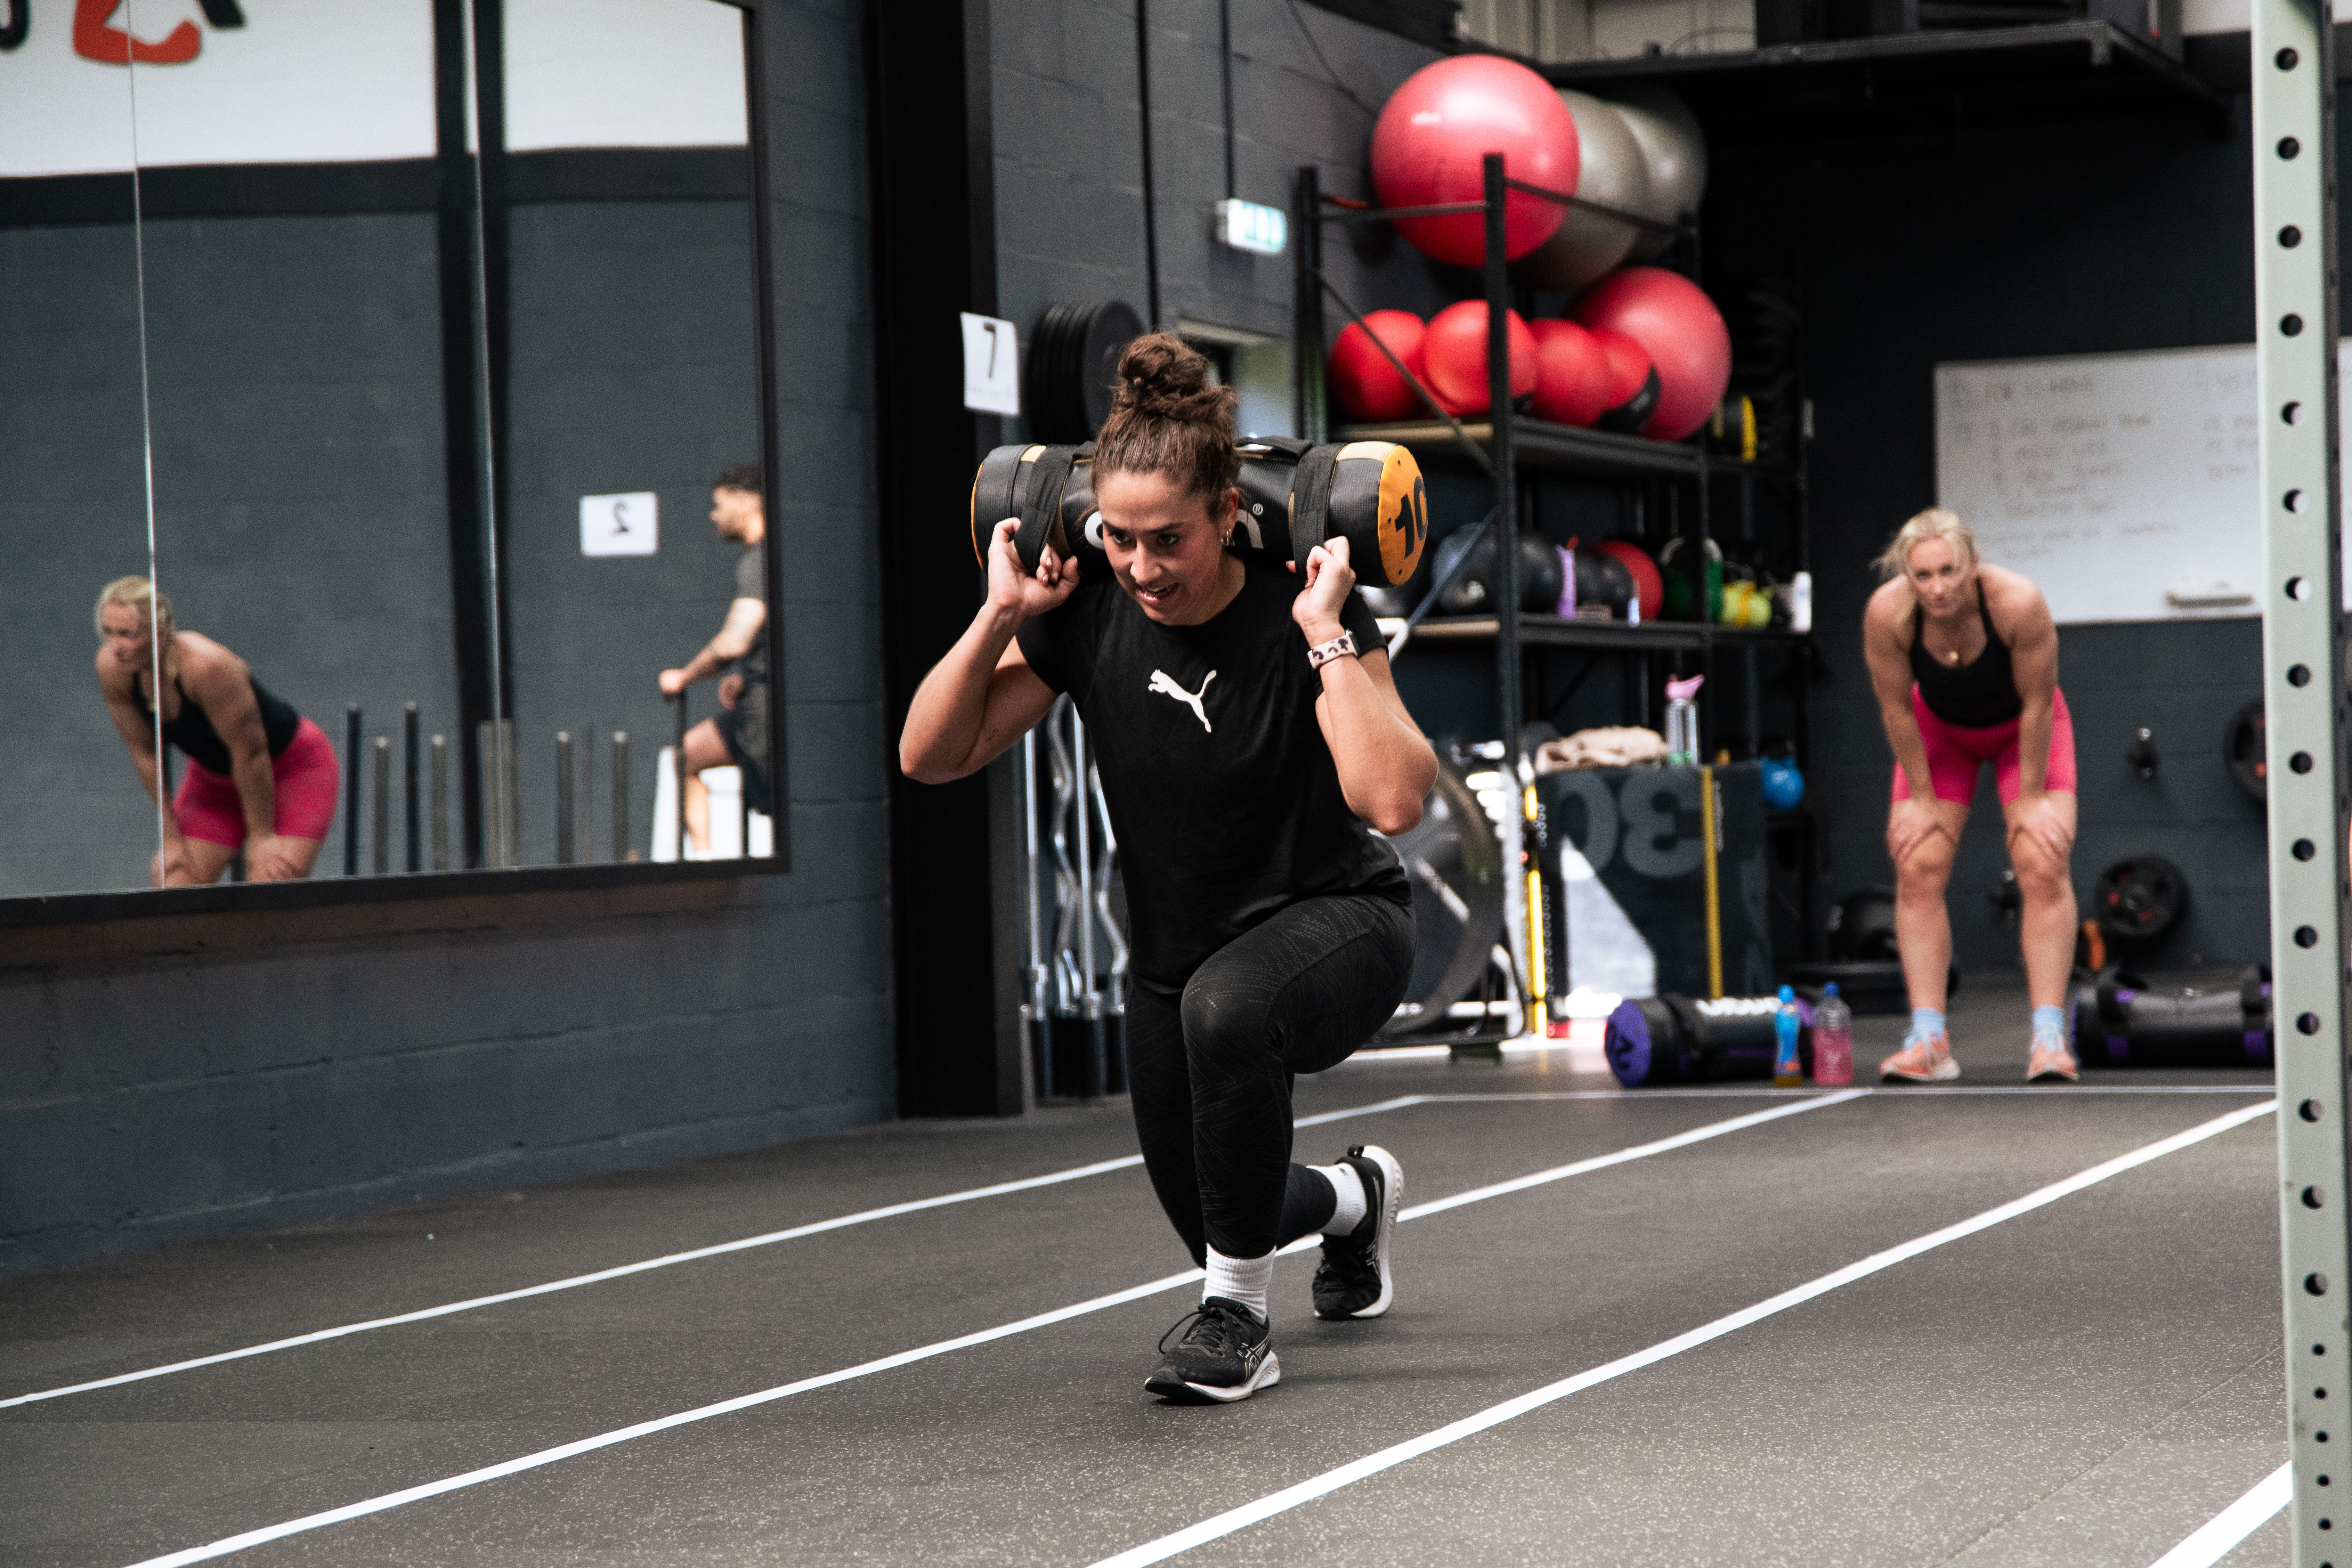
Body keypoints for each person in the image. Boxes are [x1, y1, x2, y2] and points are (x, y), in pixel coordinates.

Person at [899, 334, 1437, 1403]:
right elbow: (930, 756)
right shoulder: (1088, 609)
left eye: (1168, 540)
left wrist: (1324, 634)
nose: (1141, 567)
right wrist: (1000, 613)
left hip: (1342, 922)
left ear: (1230, 510)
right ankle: (1349, 1201)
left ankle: (1235, 1319)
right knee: (1219, 1206)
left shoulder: (1306, 603)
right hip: (1174, 965)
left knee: (1224, 1014)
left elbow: (1392, 800)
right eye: (1119, 537)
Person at [1863, 508, 2079, 1083]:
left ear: (1972, 564)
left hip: (2025, 732)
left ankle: (2050, 1038)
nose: (1936, 588)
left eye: (1947, 572)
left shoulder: (2017, 602)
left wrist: (2031, 798)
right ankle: (1930, 1040)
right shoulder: (1888, 613)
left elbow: (2037, 705)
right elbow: (1896, 708)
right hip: (1941, 734)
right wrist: (1924, 798)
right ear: (1908, 577)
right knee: (1917, 865)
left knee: (2041, 863)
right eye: (1923, 576)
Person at [92, 576, 340, 885]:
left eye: (128, 635)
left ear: (158, 634)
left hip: (290, 771)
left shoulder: (206, 667)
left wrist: (262, 839)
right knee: (176, 883)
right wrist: (170, 839)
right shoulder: (113, 670)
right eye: (109, 633)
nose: (116, 648)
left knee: (271, 883)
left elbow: (250, 754)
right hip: (216, 783)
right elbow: (144, 753)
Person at [658, 463, 770, 854]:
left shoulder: (761, 560)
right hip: (753, 701)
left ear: (744, 502)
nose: (713, 514)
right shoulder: (762, 557)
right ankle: (704, 860)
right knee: (685, 757)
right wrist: (747, 675)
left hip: (766, 718)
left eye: (719, 505)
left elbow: (733, 642)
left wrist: (684, 677)